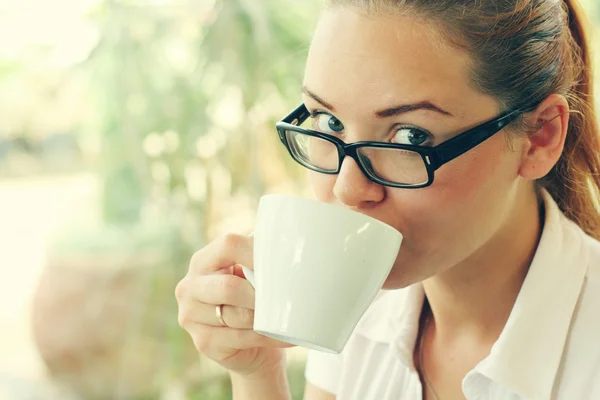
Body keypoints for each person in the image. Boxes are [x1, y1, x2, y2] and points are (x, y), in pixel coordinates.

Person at [175, 0, 600, 398]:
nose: (347, 188)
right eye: (330, 121)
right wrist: (256, 371)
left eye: (411, 136)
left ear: (540, 137)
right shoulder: (354, 308)